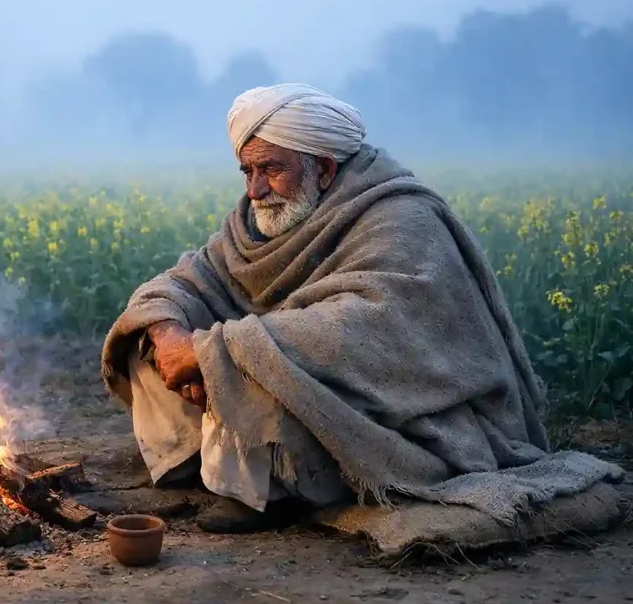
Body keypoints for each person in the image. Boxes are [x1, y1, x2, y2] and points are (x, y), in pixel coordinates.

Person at [100, 83, 619, 534]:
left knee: (263, 363)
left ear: (323, 168)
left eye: (270, 170)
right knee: (147, 339)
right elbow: (182, 283)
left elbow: (363, 331)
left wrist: (215, 352)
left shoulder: (401, 217)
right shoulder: (256, 221)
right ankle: (215, 462)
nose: (254, 190)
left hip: (405, 412)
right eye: (246, 170)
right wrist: (172, 339)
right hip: (291, 375)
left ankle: (265, 493)